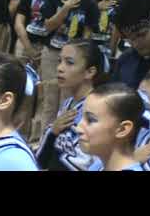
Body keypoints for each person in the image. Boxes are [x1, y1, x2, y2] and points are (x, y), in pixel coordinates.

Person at [36, 39, 106, 171]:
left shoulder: (98, 109)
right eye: (59, 61)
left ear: (90, 72)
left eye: (69, 63)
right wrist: (53, 131)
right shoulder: (68, 103)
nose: (59, 68)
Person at [14, 0, 62, 141]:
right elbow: (19, 22)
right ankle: (18, 133)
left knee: (45, 95)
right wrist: (28, 48)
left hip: (50, 49)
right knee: (23, 91)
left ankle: (36, 138)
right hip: (25, 44)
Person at [76, 82, 145, 171]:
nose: (78, 128)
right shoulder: (99, 165)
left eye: (91, 120)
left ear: (122, 129)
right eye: (82, 117)